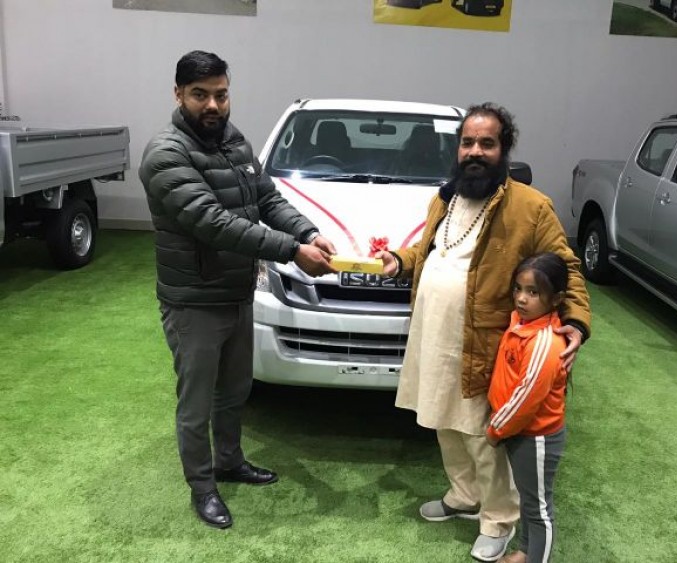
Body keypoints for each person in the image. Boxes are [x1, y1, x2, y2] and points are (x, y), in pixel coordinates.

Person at [377, 103, 590, 561]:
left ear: (503, 149)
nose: (475, 151)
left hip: (485, 342)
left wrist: (575, 321)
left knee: (480, 433)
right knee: (442, 420)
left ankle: (498, 519)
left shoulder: (531, 207)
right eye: (468, 143)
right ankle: (464, 495)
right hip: (433, 333)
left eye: (486, 143)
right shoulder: (444, 198)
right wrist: (401, 260)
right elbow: (430, 250)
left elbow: (566, 267)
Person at [139, 50, 336, 529]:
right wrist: (292, 250)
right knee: (196, 403)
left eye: (221, 95)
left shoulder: (234, 141)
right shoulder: (166, 154)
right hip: (194, 301)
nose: (213, 105)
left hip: (235, 292)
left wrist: (308, 231)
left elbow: (267, 198)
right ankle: (202, 487)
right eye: (200, 95)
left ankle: (229, 462)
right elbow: (212, 222)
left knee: (233, 391)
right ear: (178, 94)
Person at [486, 253, 571, 563]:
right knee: (529, 499)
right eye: (518, 289)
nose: (521, 298)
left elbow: (525, 399)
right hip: (519, 433)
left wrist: (496, 429)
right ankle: (524, 552)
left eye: (533, 292)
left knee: (539, 510)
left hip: (536, 438)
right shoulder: (521, 323)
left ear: (556, 298)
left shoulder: (544, 344)